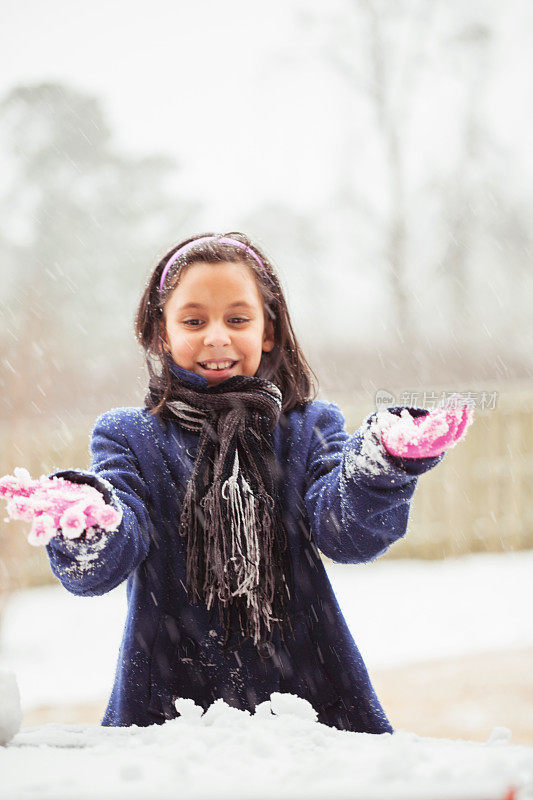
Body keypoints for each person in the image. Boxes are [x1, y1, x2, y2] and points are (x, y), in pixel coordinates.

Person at [7, 232, 473, 733]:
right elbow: (105, 560)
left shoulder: (309, 427)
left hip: (310, 701)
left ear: (267, 330)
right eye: (193, 320)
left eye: (236, 319)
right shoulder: (129, 437)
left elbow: (348, 535)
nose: (216, 336)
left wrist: (381, 466)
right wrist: (87, 524)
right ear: (162, 334)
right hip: (170, 708)